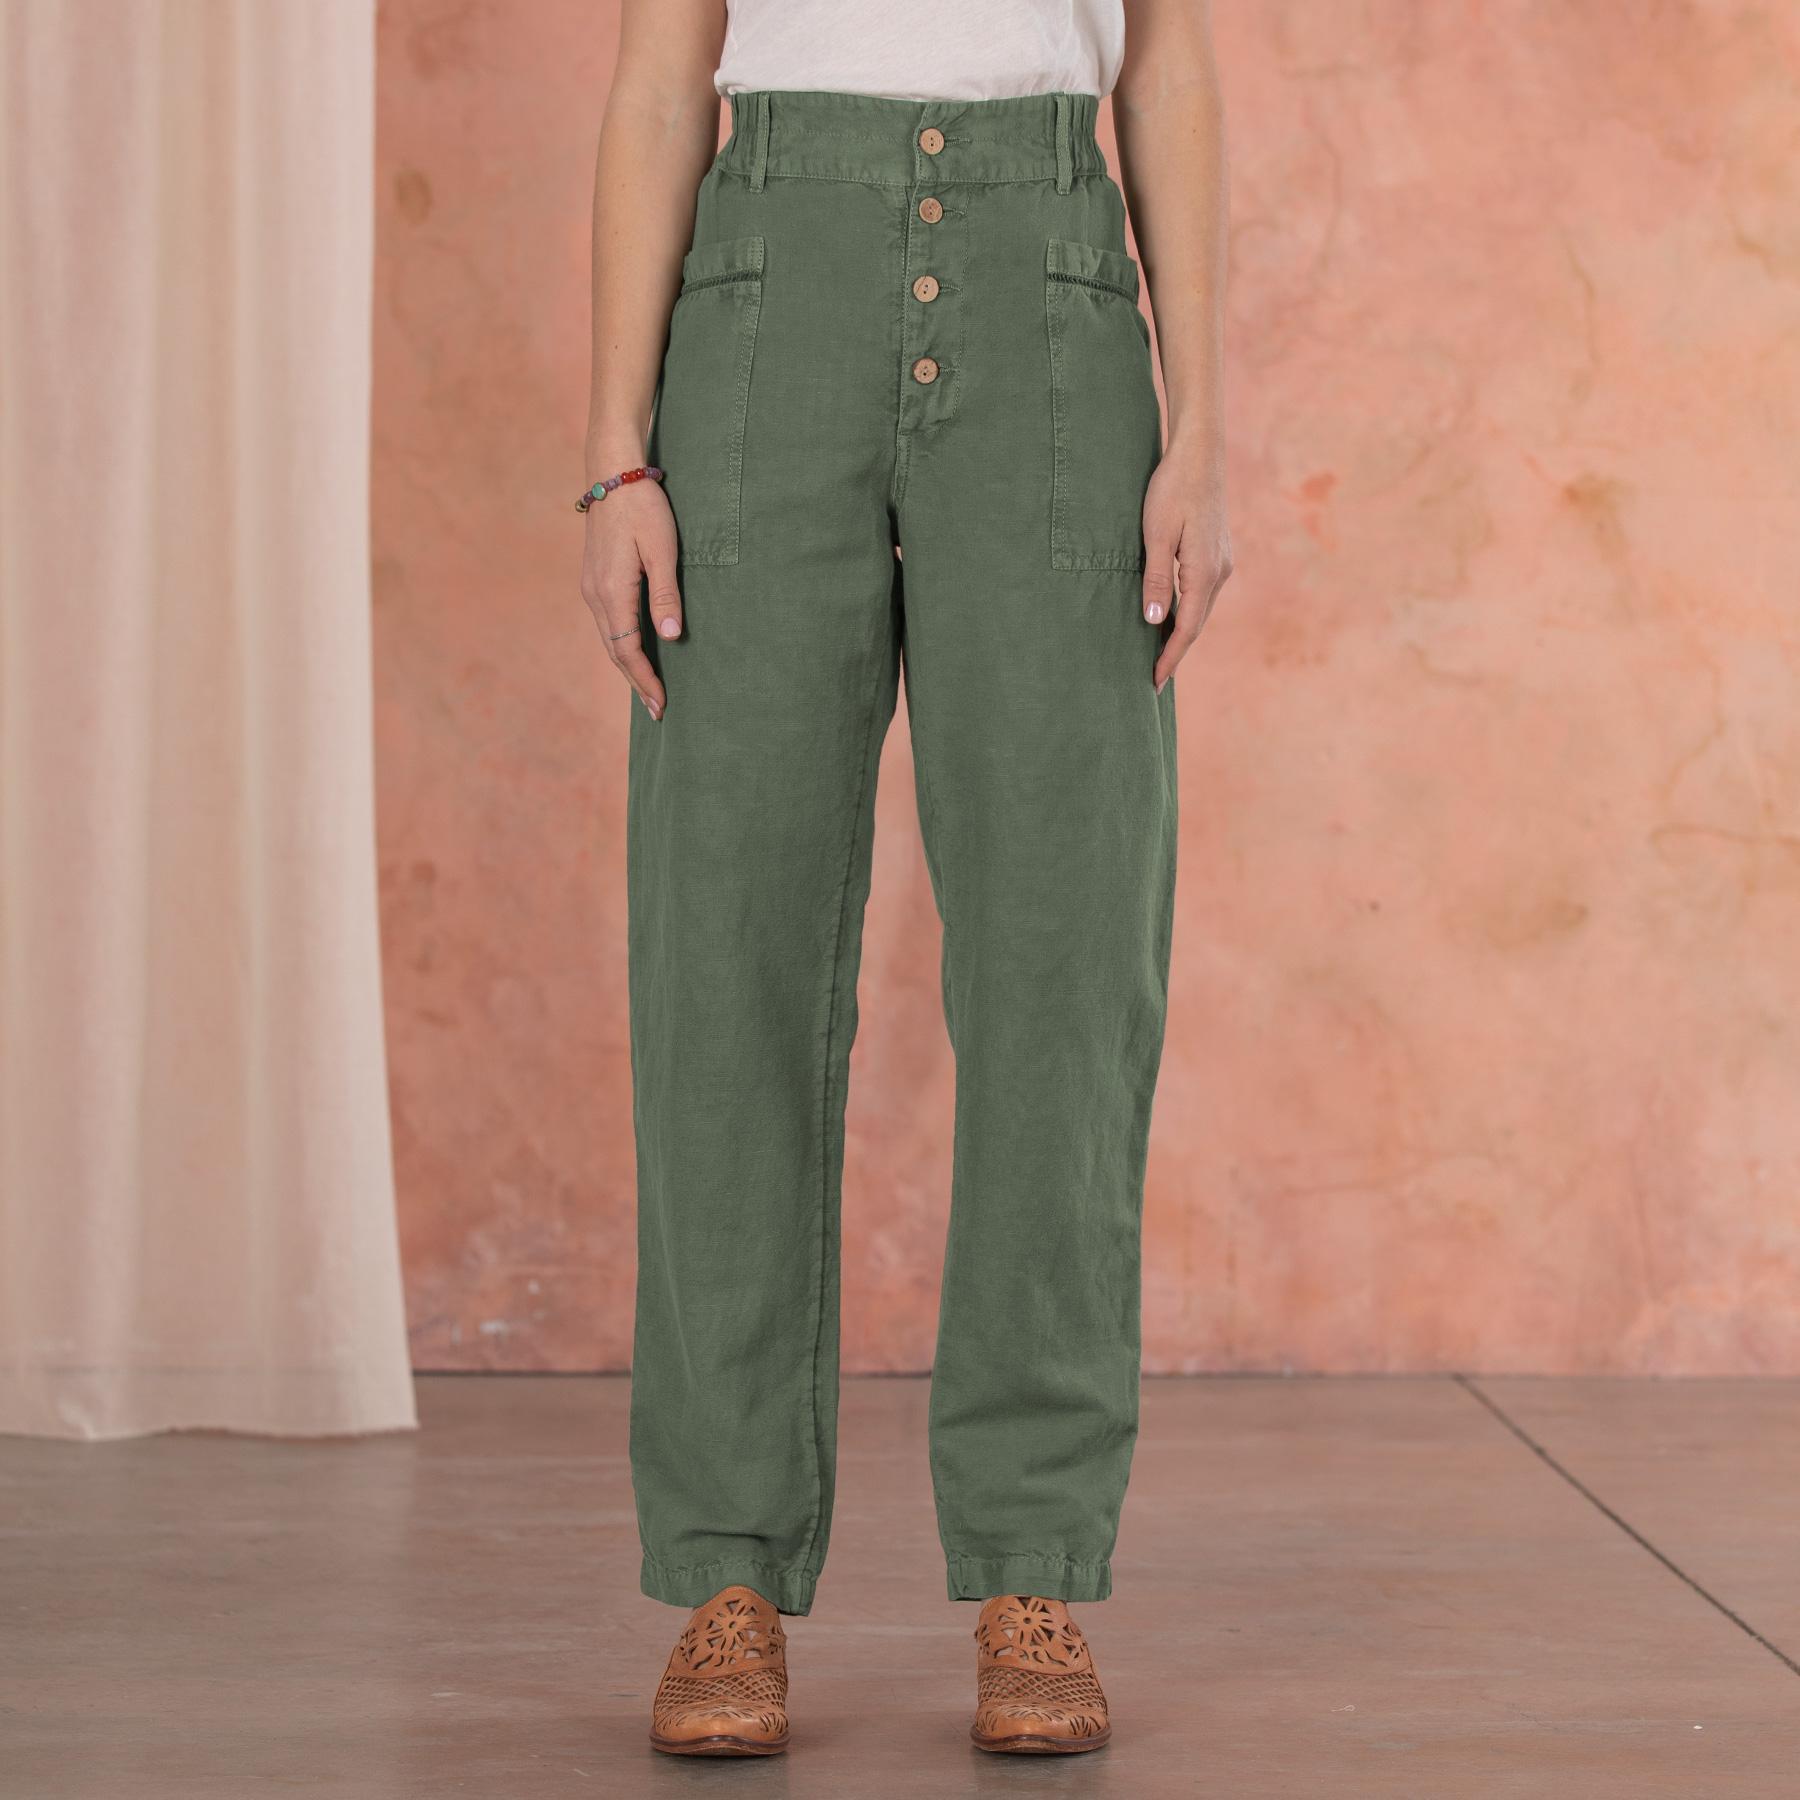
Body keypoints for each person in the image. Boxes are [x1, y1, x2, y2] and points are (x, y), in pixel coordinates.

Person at [578, 0, 1230, 1759]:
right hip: (766, 293)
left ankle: (1035, 1561)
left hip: (1054, 299)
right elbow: (659, 79)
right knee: (725, 946)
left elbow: (1169, 66)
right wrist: (615, 456)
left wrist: (1202, 426)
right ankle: (725, 1566)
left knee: (1064, 957)